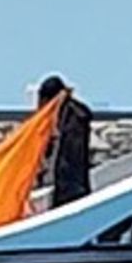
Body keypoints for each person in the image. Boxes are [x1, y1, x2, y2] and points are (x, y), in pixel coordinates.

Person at [36, 74, 94, 207]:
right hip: (73, 184)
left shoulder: (73, 117)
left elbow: (70, 155)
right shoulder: (68, 114)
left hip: (70, 186)